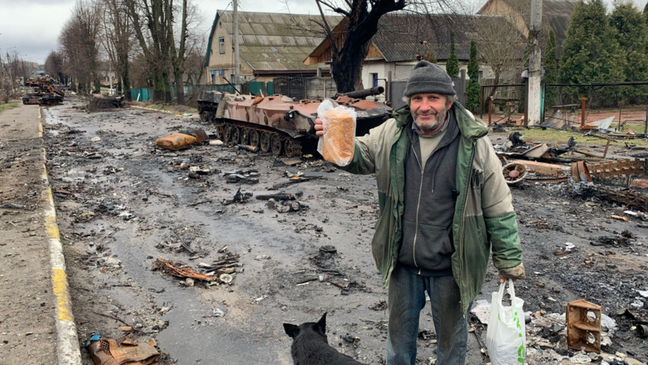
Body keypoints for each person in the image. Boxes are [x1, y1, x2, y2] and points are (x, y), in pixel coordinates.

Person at [314, 60, 525, 365]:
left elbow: (498, 205)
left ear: (449, 102)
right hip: (403, 265)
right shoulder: (392, 133)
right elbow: (359, 157)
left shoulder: (474, 144)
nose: (424, 107)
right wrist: (331, 139)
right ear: (409, 102)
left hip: (451, 269)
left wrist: (509, 260)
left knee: (451, 349)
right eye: (417, 99)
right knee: (398, 349)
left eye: (433, 98)